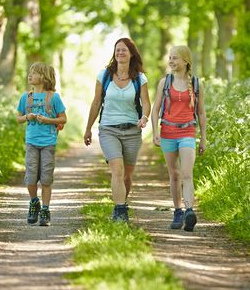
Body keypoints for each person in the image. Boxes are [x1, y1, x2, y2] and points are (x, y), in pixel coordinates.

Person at [84, 37, 151, 222]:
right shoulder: (104, 75)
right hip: (108, 129)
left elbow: (146, 103)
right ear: (114, 53)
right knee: (117, 170)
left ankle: (122, 203)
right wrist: (88, 128)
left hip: (132, 131)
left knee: (127, 175)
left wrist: (144, 118)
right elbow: (96, 102)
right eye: (117, 50)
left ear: (131, 54)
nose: (120, 53)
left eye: (124, 50)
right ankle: (120, 210)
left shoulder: (139, 78)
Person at [151, 45, 207, 232]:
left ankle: (190, 211)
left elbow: (201, 113)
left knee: (186, 173)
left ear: (185, 61)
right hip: (167, 132)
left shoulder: (197, 84)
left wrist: (204, 138)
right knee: (174, 175)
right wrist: (155, 132)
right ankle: (178, 211)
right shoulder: (164, 82)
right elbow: (155, 109)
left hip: (188, 133)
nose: (171, 61)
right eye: (170, 58)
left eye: (175, 58)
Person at [17, 62, 67, 226]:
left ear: (44, 77)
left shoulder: (54, 97)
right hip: (31, 142)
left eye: (34, 73)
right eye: (30, 72)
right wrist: (27, 117)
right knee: (30, 178)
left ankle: (45, 210)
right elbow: (18, 118)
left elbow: (63, 118)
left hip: (48, 143)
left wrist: (48, 120)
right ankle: (34, 202)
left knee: (46, 178)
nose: (30, 75)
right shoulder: (26, 97)